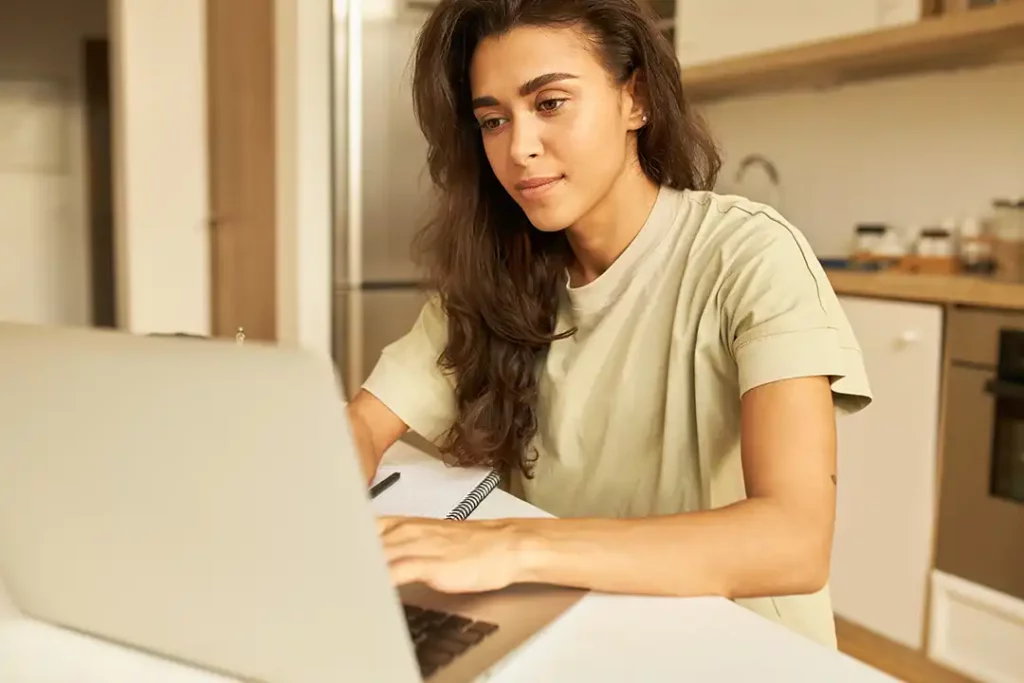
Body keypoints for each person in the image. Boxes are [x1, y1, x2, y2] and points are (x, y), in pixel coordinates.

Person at [347, 0, 872, 649]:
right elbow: (364, 425)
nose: (519, 148)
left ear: (636, 99)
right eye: (492, 120)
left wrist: (511, 544)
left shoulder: (750, 257)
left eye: (550, 103)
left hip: (734, 645)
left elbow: (793, 542)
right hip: (574, 627)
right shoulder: (495, 277)